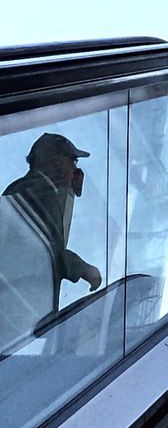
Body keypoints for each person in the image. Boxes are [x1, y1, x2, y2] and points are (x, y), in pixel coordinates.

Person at [2, 133, 102, 322]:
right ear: (57, 161)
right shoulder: (37, 190)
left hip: (19, 302)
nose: (76, 168)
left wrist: (70, 190)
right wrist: (85, 269)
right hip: (19, 304)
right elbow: (48, 253)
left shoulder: (29, 188)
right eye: (73, 161)